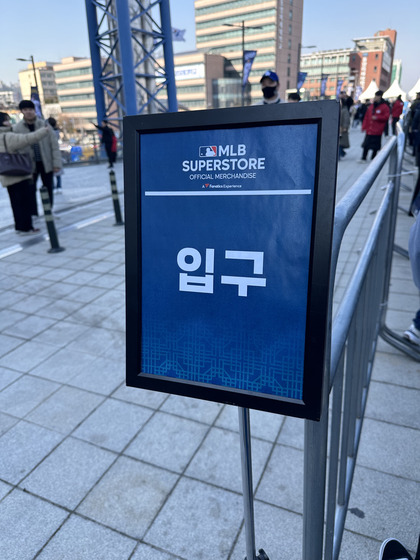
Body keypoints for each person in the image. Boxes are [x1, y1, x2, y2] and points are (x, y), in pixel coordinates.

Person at [0, 112, 49, 234]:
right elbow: (28, 139)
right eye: (6, 120)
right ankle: (26, 227)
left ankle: (19, 227)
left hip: (6, 174)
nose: (9, 122)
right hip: (18, 173)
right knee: (24, 201)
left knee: (15, 203)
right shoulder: (7, 136)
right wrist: (44, 130)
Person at [13, 100, 62, 215]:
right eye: (25, 110)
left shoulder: (44, 125)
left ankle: (49, 209)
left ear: (34, 110)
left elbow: (54, 145)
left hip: (46, 162)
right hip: (29, 165)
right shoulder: (17, 128)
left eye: (30, 109)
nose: (28, 112)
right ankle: (33, 213)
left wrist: (56, 164)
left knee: (48, 187)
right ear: (22, 112)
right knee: (30, 190)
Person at [359, 90, 390, 162]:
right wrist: (364, 126)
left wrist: (377, 117)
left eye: (376, 96)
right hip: (370, 129)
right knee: (366, 144)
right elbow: (366, 117)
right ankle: (364, 157)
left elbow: (386, 117)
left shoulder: (384, 107)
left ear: (380, 97)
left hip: (377, 130)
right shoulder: (372, 106)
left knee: (375, 146)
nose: (375, 97)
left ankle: (373, 158)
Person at [47, 117, 63, 192]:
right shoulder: (57, 131)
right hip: (56, 151)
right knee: (58, 172)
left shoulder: (48, 131)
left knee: (51, 172)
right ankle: (59, 186)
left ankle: (53, 187)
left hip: (49, 152)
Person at [338, 93, 350, 160]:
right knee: (339, 144)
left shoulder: (344, 110)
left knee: (340, 144)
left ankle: (339, 156)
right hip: (339, 129)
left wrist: (345, 127)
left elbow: (346, 119)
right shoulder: (339, 109)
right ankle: (342, 153)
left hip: (342, 129)